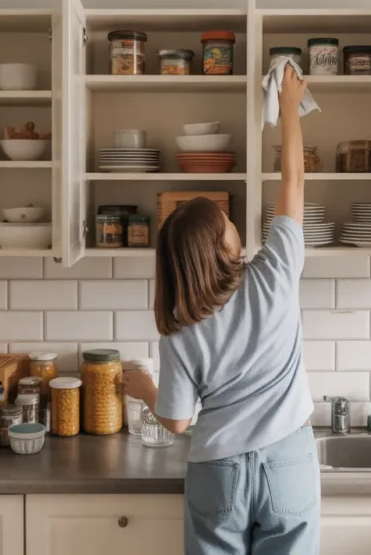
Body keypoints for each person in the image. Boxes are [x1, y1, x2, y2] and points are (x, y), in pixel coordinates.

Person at [122, 65, 317, 555]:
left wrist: (147, 391)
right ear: (222, 247)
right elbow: (293, 181)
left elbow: (179, 422)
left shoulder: (178, 326)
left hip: (218, 471)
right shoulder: (274, 276)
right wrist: (289, 108)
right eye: (228, 222)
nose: (235, 225)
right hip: (288, 459)